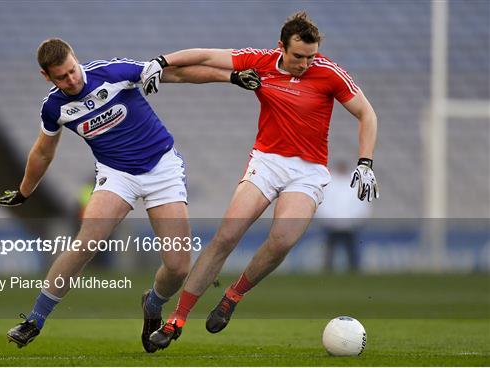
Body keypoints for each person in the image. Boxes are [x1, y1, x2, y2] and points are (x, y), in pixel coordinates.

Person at [0, 38, 260, 352]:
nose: (72, 79)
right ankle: (34, 321)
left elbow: (176, 74)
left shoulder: (114, 72)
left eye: (72, 70)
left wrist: (228, 77)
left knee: (177, 267)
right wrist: (25, 191)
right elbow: (42, 152)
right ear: (47, 77)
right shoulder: (54, 107)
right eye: (62, 77)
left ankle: (153, 305)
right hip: (116, 174)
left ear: (76, 58)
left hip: (161, 167)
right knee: (85, 242)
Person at [140, 11, 380, 349]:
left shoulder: (328, 73)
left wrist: (365, 163)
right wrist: (161, 61)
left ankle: (232, 296)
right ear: (281, 46)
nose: (305, 64)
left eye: (311, 57)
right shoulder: (261, 61)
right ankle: (176, 320)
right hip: (267, 161)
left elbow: (366, 112)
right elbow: (208, 57)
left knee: (282, 240)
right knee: (226, 236)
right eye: (298, 56)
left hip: (308, 171)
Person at [317, 160, 372, 272]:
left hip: (350, 226)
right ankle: (328, 272)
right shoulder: (329, 184)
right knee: (330, 253)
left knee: (352, 252)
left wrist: (355, 219)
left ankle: (354, 271)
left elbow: (362, 204)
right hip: (332, 225)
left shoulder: (355, 184)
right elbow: (323, 203)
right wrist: (329, 219)